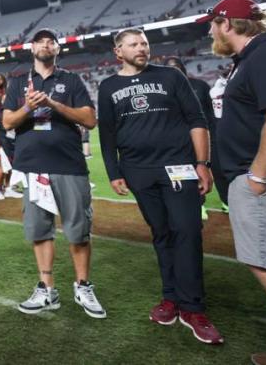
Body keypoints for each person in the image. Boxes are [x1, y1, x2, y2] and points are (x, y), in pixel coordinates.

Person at [98, 29, 223, 344]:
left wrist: (203, 164)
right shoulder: (108, 86)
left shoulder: (171, 77)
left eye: (144, 43)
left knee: (188, 230)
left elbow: (197, 119)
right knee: (162, 233)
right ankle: (171, 298)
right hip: (138, 171)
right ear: (118, 52)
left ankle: (193, 308)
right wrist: (114, 172)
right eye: (134, 44)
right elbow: (108, 134)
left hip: (178, 167)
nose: (141, 48)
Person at [197, 0, 266, 365]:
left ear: (229, 23)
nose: (210, 31)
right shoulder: (253, 59)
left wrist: (257, 177)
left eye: (213, 24)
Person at [2, 28, 104, 319]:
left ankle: (83, 285)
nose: (46, 45)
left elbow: (90, 119)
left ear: (57, 49)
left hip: (69, 164)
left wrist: (52, 104)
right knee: (39, 230)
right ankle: (47, 289)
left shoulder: (70, 80)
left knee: (78, 229)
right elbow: (7, 121)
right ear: (31, 48)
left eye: (51, 41)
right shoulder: (18, 82)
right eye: (40, 41)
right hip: (32, 166)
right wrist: (28, 106)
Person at [165, 55, 226, 217]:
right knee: (187, 174)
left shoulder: (200, 86)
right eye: (170, 68)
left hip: (208, 136)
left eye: (176, 67)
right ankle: (198, 205)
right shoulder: (162, 93)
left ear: (183, 69)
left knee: (219, 170)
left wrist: (217, 132)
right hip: (182, 141)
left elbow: (212, 111)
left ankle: (226, 201)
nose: (174, 70)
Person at [0, 74, 20, 200]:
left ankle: (8, 188)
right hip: (3, 142)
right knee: (4, 166)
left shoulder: (12, 111)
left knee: (10, 166)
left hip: (11, 142)